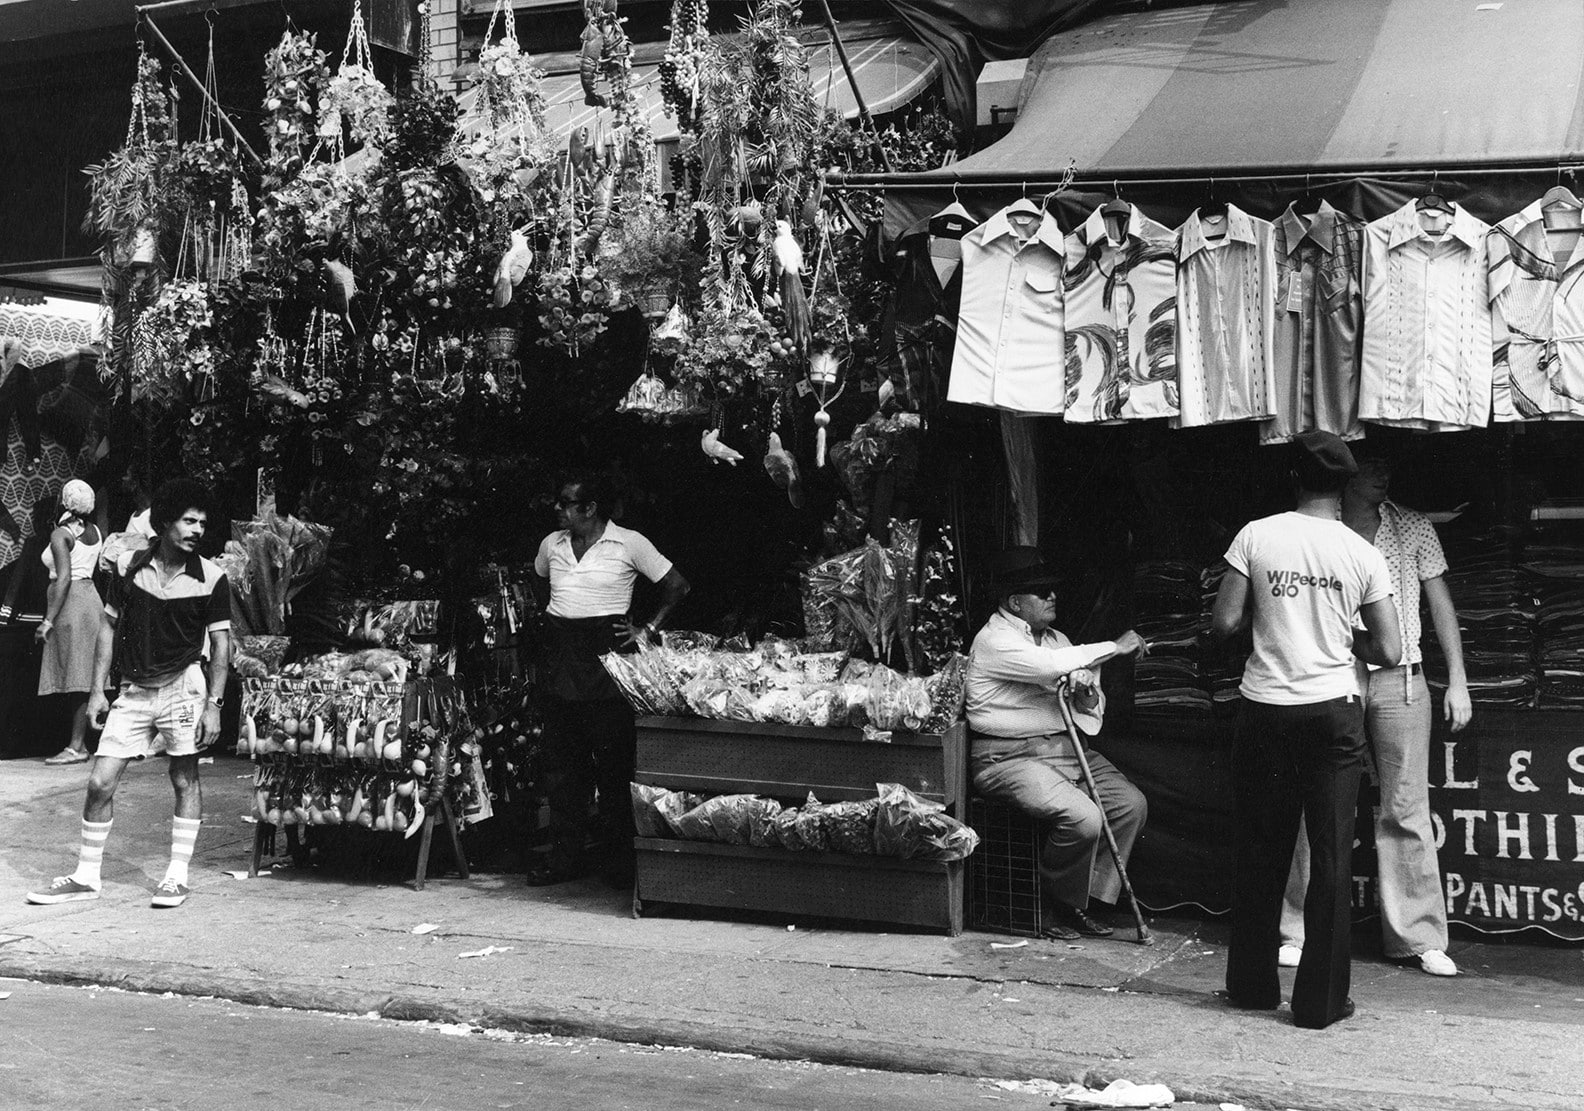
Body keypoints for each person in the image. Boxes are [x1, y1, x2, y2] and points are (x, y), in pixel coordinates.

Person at [1211, 431, 1402, 1029]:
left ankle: (1250, 987)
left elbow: (1224, 622)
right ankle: (1319, 1003)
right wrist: (1344, 639)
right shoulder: (1362, 553)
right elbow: (1391, 649)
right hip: (1332, 713)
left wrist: (1276, 627)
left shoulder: (1256, 535)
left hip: (1265, 708)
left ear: (1293, 476)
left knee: (1261, 849)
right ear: (1344, 484)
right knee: (1330, 855)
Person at [1277, 456, 1471, 977]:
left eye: (1388, 464)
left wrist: (1457, 679)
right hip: (1332, 675)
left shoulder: (1412, 527)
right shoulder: (1320, 529)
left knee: (1405, 806)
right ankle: (1296, 928)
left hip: (1400, 676)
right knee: (1312, 802)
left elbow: (1440, 605)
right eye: (1370, 466)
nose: (1383, 474)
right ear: (1344, 473)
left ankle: (1419, 936)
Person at [25, 478, 232, 909]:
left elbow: (222, 647)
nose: (196, 530)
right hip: (134, 690)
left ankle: (176, 877)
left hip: (184, 688)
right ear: (164, 524)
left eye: (201, 523)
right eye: (188, 521)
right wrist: (99, 691)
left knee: (184, 777)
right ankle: (86, 876)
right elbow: (108, 627)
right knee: (100, 782)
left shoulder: (213, 578)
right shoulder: (128, 567)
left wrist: (214, 705)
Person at [965, 546, 1150, 940]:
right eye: (1041, 592)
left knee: (1129, 804)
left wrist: (1085, 691)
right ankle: (1055, 905)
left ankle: (1086, 902)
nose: (1053, 597)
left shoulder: (1057, 639)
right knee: (1084, 818)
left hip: (1063, 747)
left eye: (1052, 590)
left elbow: (1088, 707)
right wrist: (1113, 648)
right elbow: (1050, 669)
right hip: (1006, 757)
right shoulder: (994, 640)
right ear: (1015, 602)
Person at [529, 472, 689, 887]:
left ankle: (619, 863)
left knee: (614, 765)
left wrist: (647, 630)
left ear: (590, 508)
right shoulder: (552, 544)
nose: (558, 509)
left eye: (566, 503)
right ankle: (565, 860)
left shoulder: (629, 543)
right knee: (562, 767)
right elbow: (541, 584)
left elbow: (677, 586)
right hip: (563, 654)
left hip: (607, 658)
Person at [37, 479, 105, 765]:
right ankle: (78, 743)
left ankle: (77, 746)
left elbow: (64, 577)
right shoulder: (95, 531)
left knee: (76, 676)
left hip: (71, 603)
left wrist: (47, 619)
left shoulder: (60, 534)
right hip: (91, 600)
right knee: (82, 673)